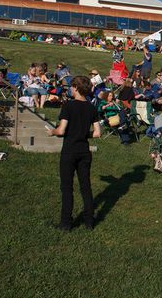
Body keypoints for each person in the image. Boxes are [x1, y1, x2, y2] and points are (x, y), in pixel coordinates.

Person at [47, 76, 101, 231]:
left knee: (67, 187)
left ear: (76, 88)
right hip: (84, 151)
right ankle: (89, 222)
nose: (70, 89)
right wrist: (84, 134)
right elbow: (97, 133)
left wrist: (52, 132)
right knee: (85, 186)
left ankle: (66, 223)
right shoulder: (91, 108)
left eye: (71, 86)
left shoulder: (69, 106)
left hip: (69, 150)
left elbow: (61, 130)